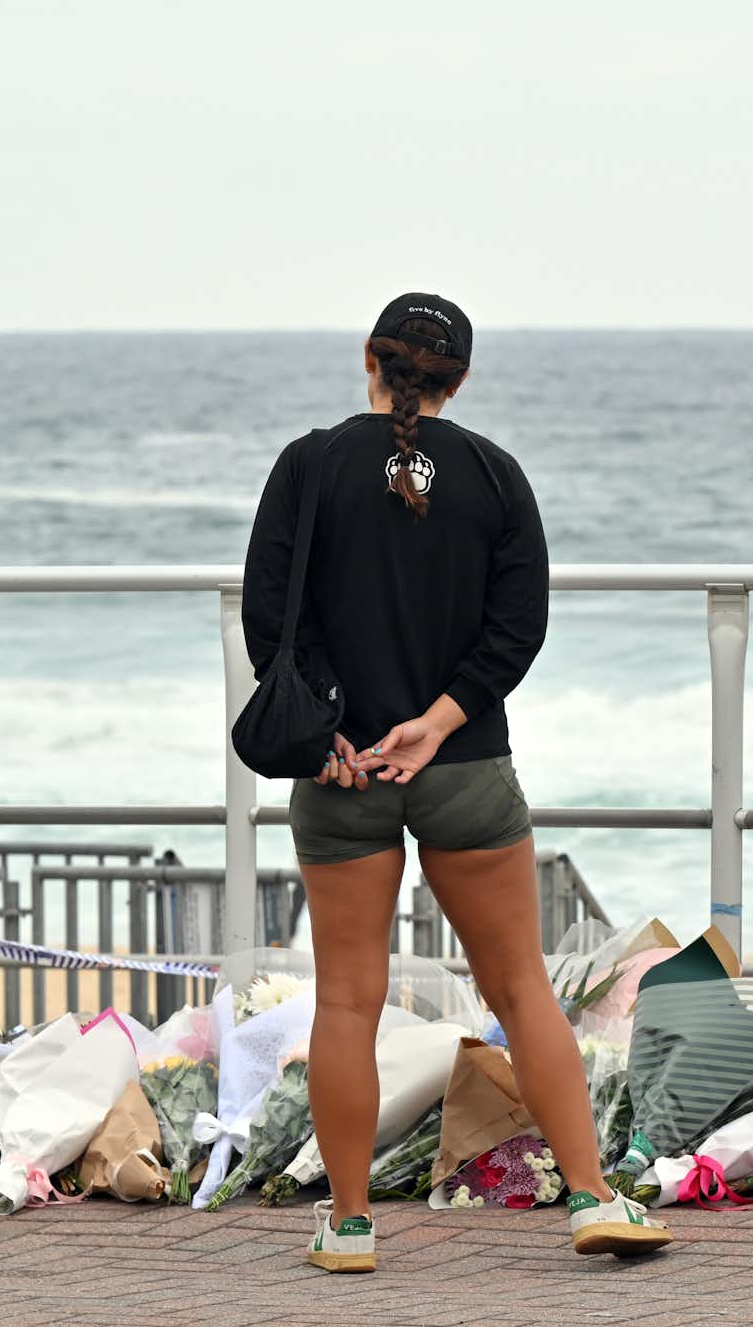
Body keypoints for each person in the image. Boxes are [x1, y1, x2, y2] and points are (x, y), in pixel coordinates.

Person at [242, 292, 670, 1274]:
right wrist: (437, 723)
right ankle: (593, 1199)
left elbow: (272, 623)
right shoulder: (493, 475)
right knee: (523, 992)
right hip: (467, 763)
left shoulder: (308, 467)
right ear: (461, 380)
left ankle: (348, 1226)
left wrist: (339, 734)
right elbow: (517, 628)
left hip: (340, 773)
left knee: (347, 1002)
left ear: (369, 359)